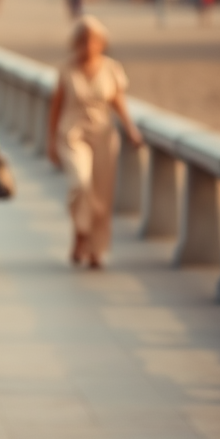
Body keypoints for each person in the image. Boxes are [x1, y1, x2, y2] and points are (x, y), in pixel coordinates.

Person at [46, 15, 141, 269]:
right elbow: (55, 107)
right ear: (76, 42)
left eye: (93, 40)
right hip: (72, 134)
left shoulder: (111, 68)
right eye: (83, 40)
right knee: (81, 183)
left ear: (101, 43)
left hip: (103, 136)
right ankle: (80, 232)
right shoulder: (66, 68)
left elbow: (118, 102)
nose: (87, 45)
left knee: (102, 194)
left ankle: (95, 249)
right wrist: (51, 142)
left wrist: (131, 129)